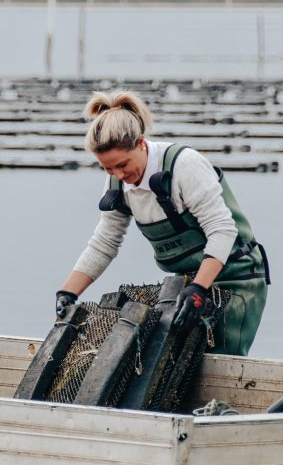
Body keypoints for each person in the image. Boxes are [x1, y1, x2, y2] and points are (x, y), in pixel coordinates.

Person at [55, 90, 269, 356]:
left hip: (237, 279)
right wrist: (68, 293)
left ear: (141, 144)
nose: (119, 175)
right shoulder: (117, 183)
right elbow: (104, 243)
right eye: (108, 169)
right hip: (188, 284)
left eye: (123, 164)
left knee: (220, 361)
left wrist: (199, 290)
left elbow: (222, 230)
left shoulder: (184, 166)